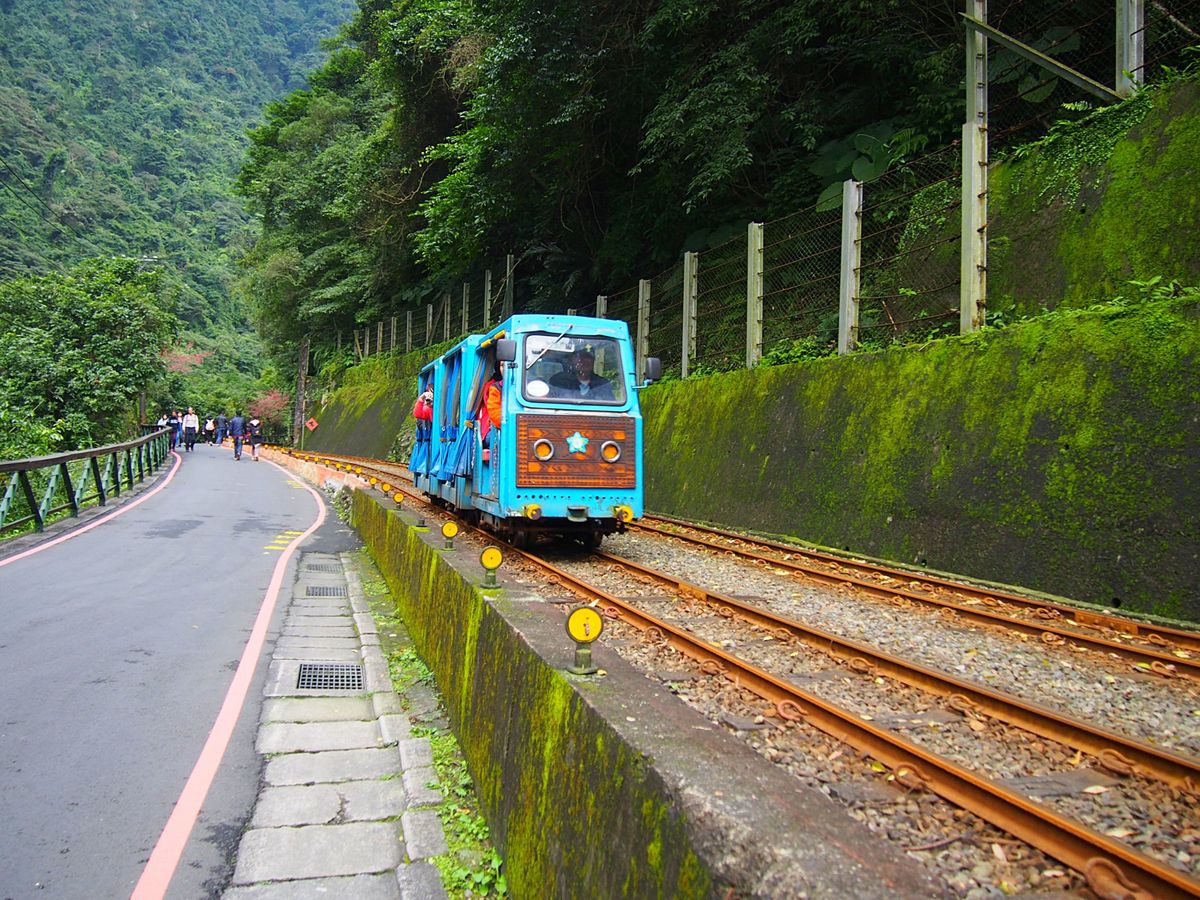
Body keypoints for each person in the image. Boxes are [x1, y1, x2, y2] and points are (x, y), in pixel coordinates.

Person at [549, 348, 613, 400]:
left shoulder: (603, 384)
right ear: (570, 360)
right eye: (578, 357)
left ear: (593, 360)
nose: (583, 361)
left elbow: (611, 409)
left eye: (588, 357)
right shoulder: (558, 381)